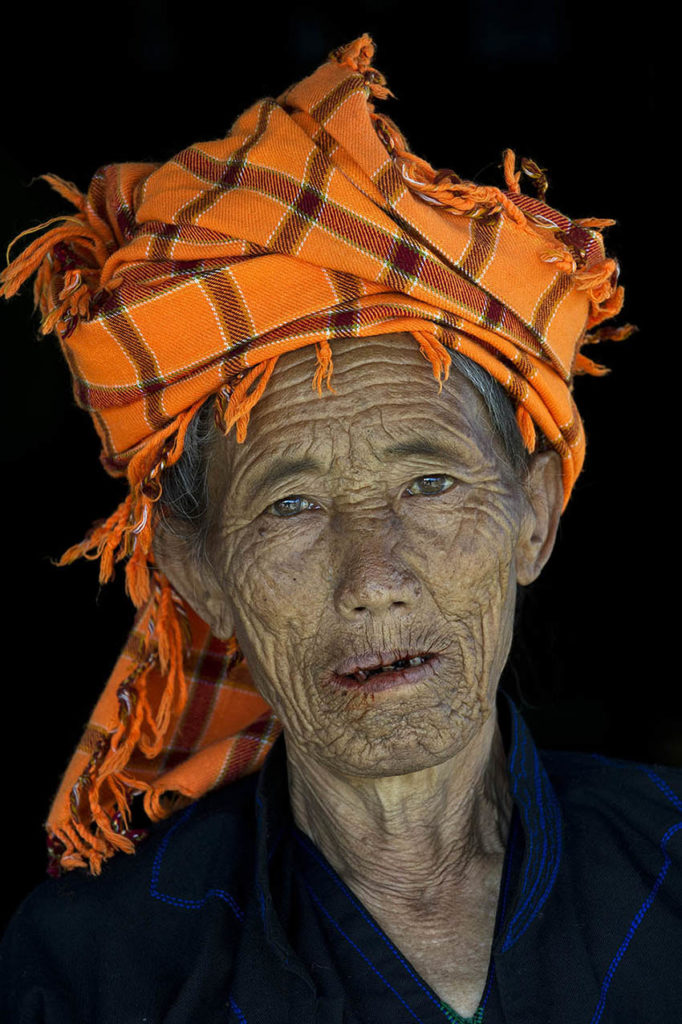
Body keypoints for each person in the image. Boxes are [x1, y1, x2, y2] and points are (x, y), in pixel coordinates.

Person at [0, 31, 679, 1024]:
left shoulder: (665, 859)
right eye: (292, 503)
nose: (373, 575)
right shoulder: (100, 966)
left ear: (533, 517)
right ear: (200, 571)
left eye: (432, 483)